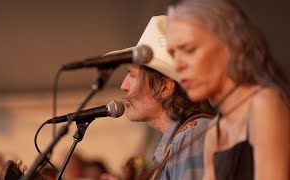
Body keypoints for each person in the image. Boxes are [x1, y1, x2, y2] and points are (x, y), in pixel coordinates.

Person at [166, 0, 290, 179]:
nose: (178, 65)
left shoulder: (264, 103)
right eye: (173, 54)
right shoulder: (215, 130)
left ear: (230, 45)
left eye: (189, 50)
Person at [113, 15, 216, 179]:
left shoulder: (193, 136)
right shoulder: (182, 139)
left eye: (132, 75)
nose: (123, 86)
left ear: (165, 87)